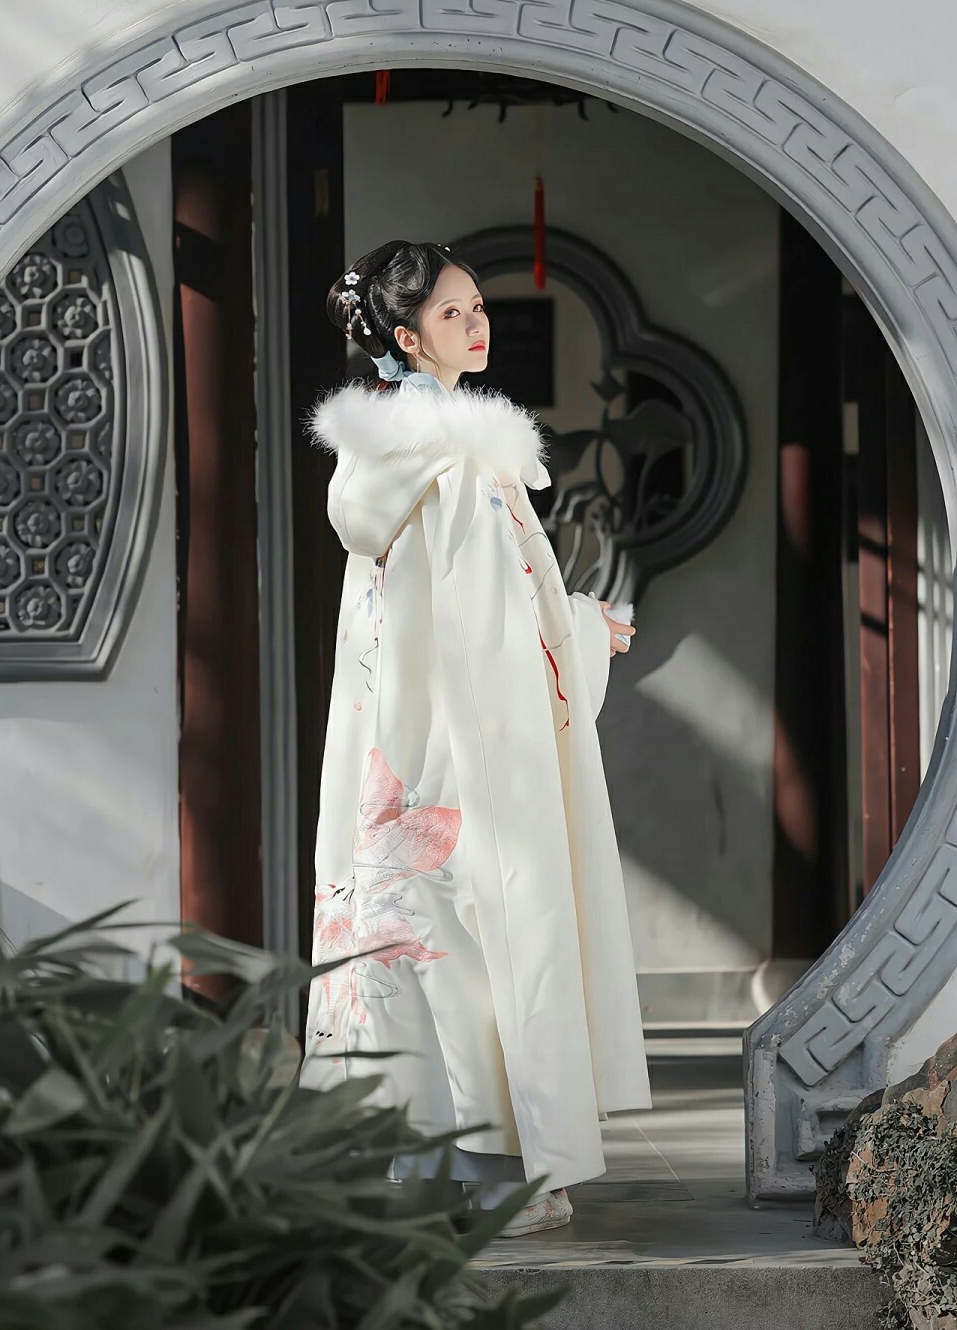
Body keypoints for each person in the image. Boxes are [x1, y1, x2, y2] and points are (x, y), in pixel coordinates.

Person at [300, 239, 650, 1237]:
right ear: (407, 337)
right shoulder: (448, 448)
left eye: (477, 307)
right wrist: (576, 629)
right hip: (457, 734)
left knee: (427, 936)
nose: (476, 323)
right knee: (476, 933)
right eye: (452, 313)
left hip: (410, 731)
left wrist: (573, 622)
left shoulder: (418, 443)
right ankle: (499, 1175)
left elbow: (465, 598)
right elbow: (477, 611)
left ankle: (430, 1168)